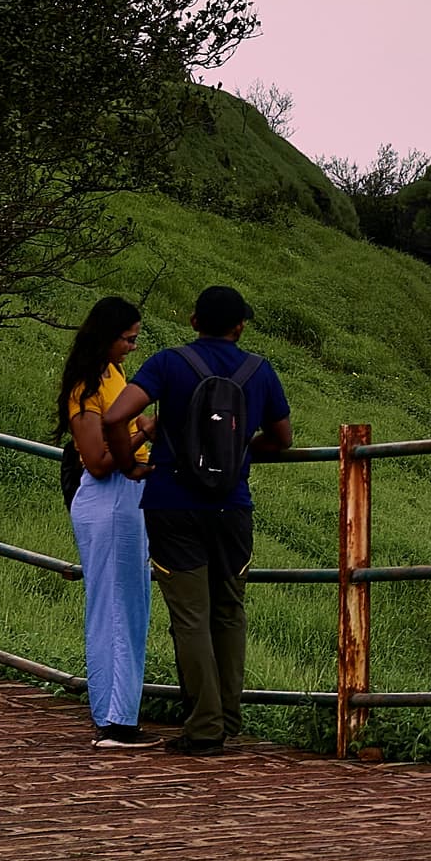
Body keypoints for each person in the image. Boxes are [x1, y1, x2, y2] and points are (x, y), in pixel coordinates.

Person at [90, 284, 292, 756]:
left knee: (190, 617)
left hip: (173, 504)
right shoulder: (259, 371)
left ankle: (203, 728)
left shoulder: (167, 362)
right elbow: (281, 438)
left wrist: (129, 463)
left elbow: (117, 416)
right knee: (228, 611)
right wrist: (238, 453)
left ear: (194, 321)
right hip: (233, 508)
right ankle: (228, 716)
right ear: (240, 325)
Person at [54, 295, 156, 748]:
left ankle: (116, 713)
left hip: (126, 495)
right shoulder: (88, 384)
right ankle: (116, 720)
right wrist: (145, 430)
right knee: (117, 608)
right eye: (128, 339)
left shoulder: (112, 375)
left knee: (126, 607)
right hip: (109, 496)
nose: (132, 347)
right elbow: (96, 458)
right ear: (108, 336)